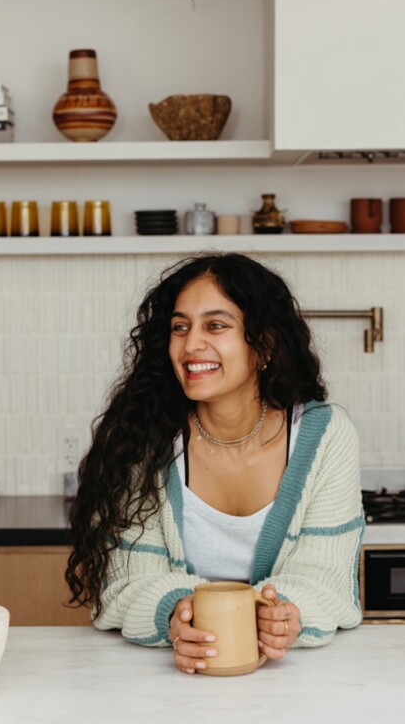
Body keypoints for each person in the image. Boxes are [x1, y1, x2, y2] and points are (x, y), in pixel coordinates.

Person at [66, 253, 364, 675]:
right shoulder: (142, 439)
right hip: (163, 682)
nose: (191, 345)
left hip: (298, 681)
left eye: (216, 326)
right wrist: (176, 616)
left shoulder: (327, 436)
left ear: (264, 344)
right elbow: (126, 584)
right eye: (180, 327)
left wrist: (282, 616)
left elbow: (326, 581)